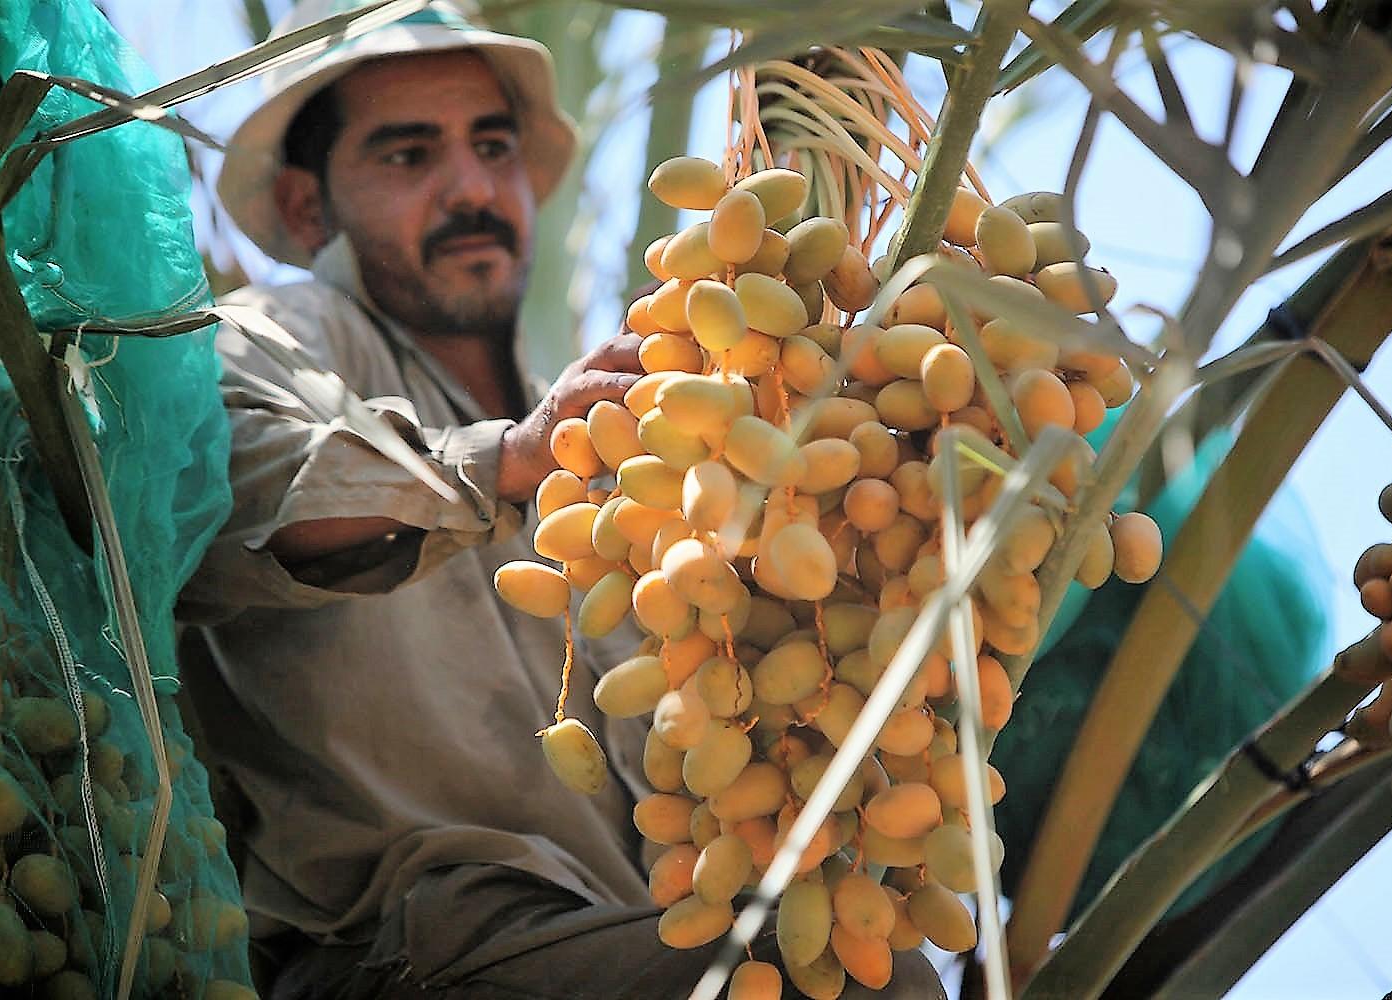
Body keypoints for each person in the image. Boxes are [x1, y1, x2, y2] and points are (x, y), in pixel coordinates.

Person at [179, 2, 946, 997]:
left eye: (492, 147)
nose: (469, 187)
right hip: (407, 956)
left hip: (630, 941)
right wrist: (504, 460)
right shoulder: (275, 333)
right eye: (409, 157)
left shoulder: (625, 453)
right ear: (305, 210)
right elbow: (222, 488)